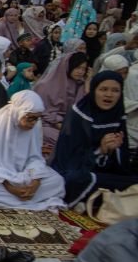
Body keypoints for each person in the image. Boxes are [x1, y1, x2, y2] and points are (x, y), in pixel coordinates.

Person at [0, 91, 66, 210]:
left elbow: (35, 157)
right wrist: (9, 186)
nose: (34, 123)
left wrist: (36, 180)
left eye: (38, 118)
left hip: (22, 175)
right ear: (19, 112)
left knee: (57, 181)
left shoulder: (35, 126)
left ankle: (19, 199)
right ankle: (29, 201)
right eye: (31, 118)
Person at [51, 71, 138, 207]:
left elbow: (121, 165)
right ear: (93, 91)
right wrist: (100, 151)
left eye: (115, 90)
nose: (109, 95)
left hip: (103, 175)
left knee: (133, 180)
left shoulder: (118, 115)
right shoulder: (79, 115)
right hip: (76, 172)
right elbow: (69, 160)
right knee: (73, 180)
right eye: (103, 89)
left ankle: (96, 201)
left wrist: (113, 151)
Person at [33, 52, 88, 149]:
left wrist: (88, 81)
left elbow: (82, 110)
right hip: (46, 125)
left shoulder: (79, 85)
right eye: (77, 68)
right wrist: (57, 122)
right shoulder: (45, 86)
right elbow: (39, 111)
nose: (80, 72)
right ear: (67, 66)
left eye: (83, 69)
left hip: (69, 125)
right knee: (67, 141)